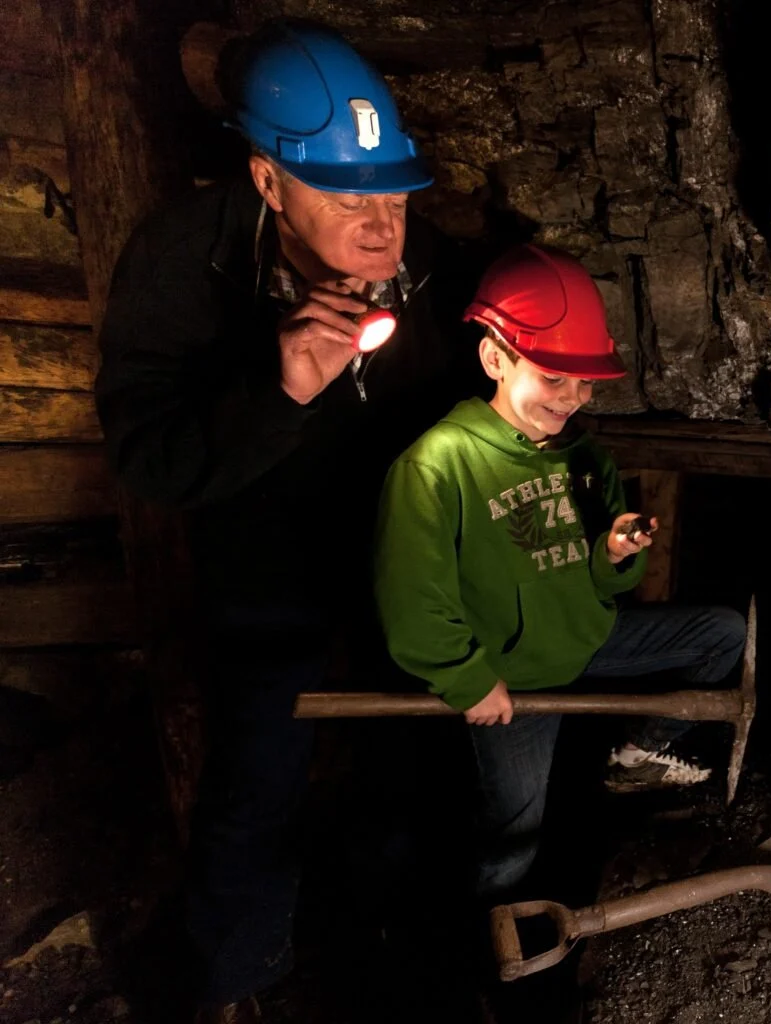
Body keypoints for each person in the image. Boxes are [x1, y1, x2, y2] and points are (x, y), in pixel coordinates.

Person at [94, 21, 473, 1022]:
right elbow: (148, 458)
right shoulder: (183, 261)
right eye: (350, 197)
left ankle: (381, 969)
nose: (382, 227)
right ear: (268, 183)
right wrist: (282, 388)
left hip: (396, 568)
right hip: (263, 575)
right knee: (256, 784)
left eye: (394, 193)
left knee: (408, 769)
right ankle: (232, 981)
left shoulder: (425, 260)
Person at [374, 244, 745, 898]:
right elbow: (411, 599)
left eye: (585, 382)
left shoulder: (584, 458)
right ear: (495, 358)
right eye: (554, 378)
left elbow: (602, 583)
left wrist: (612, 558)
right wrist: (468, 678)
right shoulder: (437, 466)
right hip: (512, 678)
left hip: (588, 638)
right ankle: (482, 946)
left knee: (722, 634)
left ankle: (635, 759)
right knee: (515, 840)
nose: (573, 398)